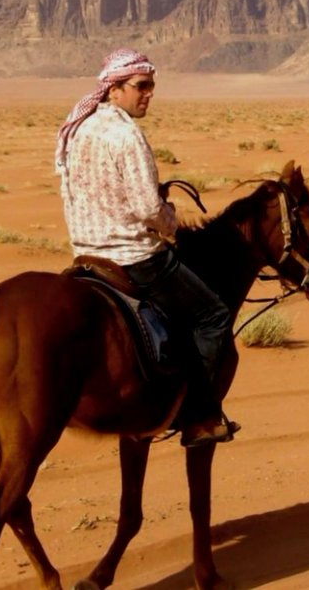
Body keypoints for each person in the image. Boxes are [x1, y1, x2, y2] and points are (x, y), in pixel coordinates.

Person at [55, 48, 238, 447]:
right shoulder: (126, 134)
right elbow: (144, 208)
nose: (148, 94)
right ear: (114, 88)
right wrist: (169, 219)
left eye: (151, 86)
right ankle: (201, 418)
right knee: (213, 317)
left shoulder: (79, 128)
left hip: (86, 255)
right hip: (134, 258)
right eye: (141, 86)